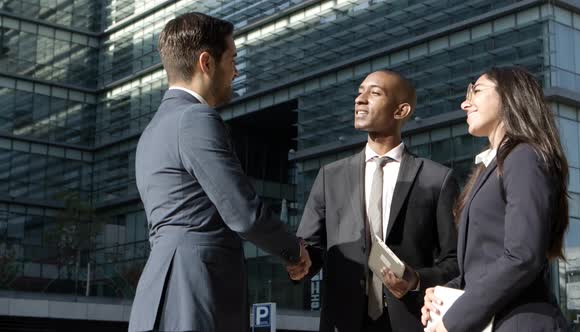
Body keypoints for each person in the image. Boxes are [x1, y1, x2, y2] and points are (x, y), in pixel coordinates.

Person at [128, 12, 310, 332]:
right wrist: (294, 251)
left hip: (161, 293)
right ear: (206, 63)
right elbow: (243, 212)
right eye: (233, 59)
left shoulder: (152, 131)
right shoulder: (195, 119)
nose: (236, 72)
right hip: (194, 294)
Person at [294, 70, 460, 332]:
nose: (360, 99)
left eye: (374, 93)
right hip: (343, 322)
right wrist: (295, 260)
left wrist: (416, 279)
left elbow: (454, 262)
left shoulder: (437, 179)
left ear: (401, 110)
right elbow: (310, 249)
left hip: (411, 321)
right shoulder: (330, 176)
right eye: (360, 92)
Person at [421, 67, 569, 332]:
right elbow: (482, 267)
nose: (465, 103)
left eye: (476, 91)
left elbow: (522, 256)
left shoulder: (524, 157)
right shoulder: (491, 167)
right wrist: (443, 294)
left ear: (509, 97)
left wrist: (453, 321)